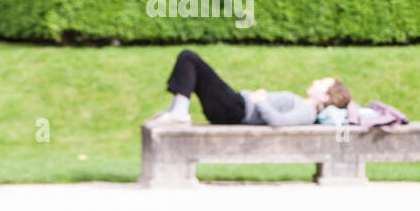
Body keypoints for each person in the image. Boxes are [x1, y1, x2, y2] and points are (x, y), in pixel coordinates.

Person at [149, 49, 350, 126]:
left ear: (325, 97)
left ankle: (179, 112)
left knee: (189, 57)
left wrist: (260, 100)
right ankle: (177, 110)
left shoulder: (306, 112)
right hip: (235, 105)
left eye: (321, 83)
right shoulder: (303, 104)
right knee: (189, 59)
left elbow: (278, 121)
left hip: (236, 110)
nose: (315, 81)